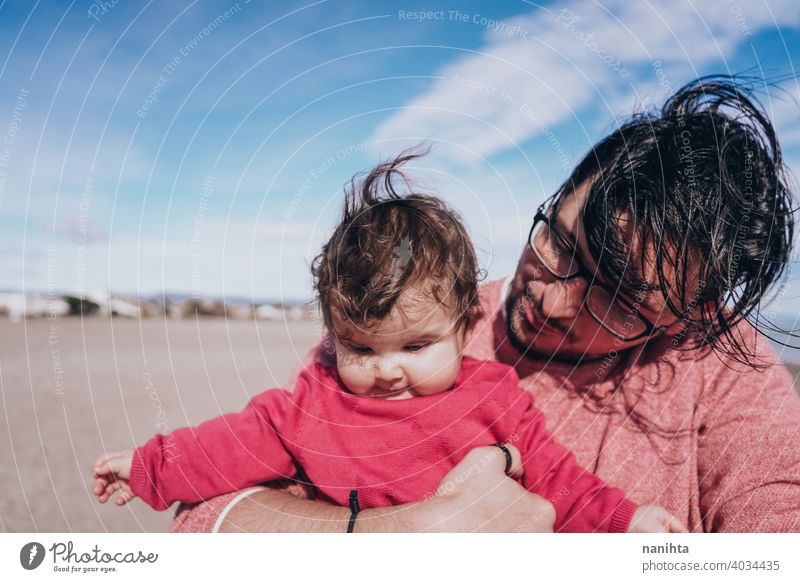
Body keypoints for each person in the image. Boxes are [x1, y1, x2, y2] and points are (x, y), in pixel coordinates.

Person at [173, 75, 800, 533]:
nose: (552, 299)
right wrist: (392, 537)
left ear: (688, 320)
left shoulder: (729, 382)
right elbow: (202, 522)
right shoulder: (415, 324)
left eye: (615, 300)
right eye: (559, 240)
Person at [91, 155, 687, 533]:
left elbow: (561, 480)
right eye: (362, 349)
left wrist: (627, 521)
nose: (387, 371)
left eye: (415, 346)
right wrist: (147, 466)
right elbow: (224, 447)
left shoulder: (496, 398)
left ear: (464, 326)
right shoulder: (312, 402)